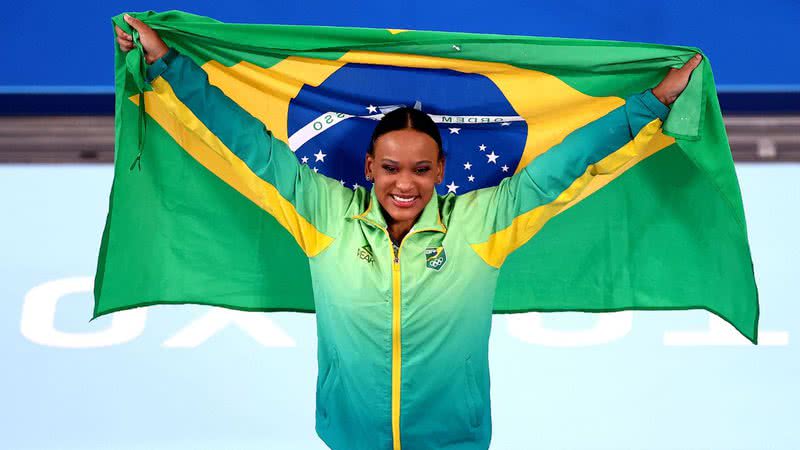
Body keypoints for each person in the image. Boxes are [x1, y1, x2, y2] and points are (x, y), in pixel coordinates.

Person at [116, 13, 702, 450]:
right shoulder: (323, 213)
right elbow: (249, 144)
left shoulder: (482, 223)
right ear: (369, 167)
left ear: (441, 171)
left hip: (455, 441)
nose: (405, 184)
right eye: (391, 168)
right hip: (350, 438)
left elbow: (564, 166)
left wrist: (652, 101)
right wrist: (169, 63)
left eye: (422, 169)